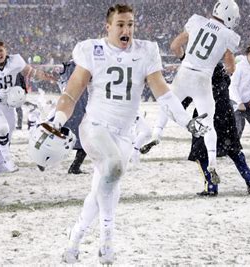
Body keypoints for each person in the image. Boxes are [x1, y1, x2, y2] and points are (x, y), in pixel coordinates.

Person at [43, 4, 208, 264]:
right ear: (108, 27)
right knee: (114, 168)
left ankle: (74, 239)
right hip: (95, 127)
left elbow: (163, 92)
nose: (126, 30)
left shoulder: (145, 51)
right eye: (120, 24)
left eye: (130, 24)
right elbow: (71, 92)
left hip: (123, 134)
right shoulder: (92, 50)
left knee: (103, 185)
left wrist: (188, 121)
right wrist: (58, 119)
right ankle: (107, 240)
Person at [145, 0, 241, 181]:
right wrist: (221, 67)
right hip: (203, 79)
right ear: (229, 16)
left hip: (185, 72)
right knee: (208, 123)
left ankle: (157, 133)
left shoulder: (197, 21)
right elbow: (230, 66)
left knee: (169, 103)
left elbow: (174, 46)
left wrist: (185, 58)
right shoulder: (228, 35)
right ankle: (212, 161)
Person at [0, 40, 56, 173]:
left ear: (6, 51)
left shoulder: (16, 61)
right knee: (2, 128)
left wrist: (50, 78)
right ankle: (7, 161)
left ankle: (0, 162)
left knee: (8, 133)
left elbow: (32, 73)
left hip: (9, 103)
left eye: (1, 50)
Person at [188, 62, 250, 196]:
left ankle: (211, 186)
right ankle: (249, 179)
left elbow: (187, 97)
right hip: (226, 117)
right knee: (234, 151)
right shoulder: (224, 79)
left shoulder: (201, 81)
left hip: (206, 117)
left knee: (201, 154)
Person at [57, 60, 89, 174]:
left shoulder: (67, 66)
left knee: (61, 136)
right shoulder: (85, 65)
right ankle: (75, 166)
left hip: (67, 107)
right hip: (79, 107)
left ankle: (44, 160)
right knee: (86, 139)